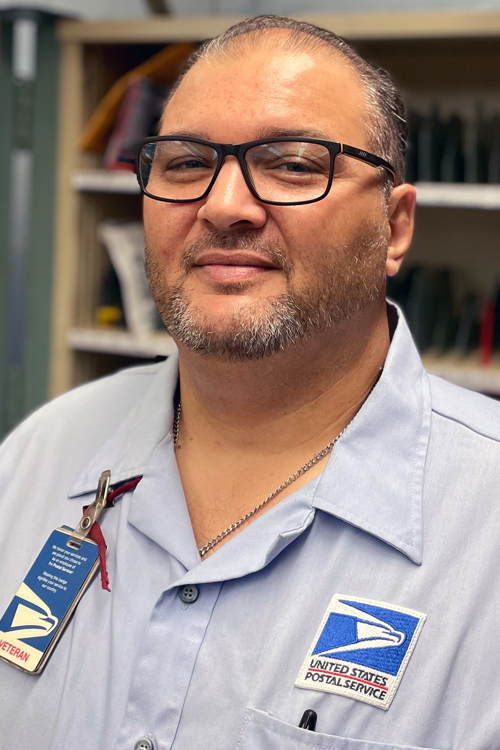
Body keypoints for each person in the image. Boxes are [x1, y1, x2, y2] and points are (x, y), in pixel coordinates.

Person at [0, 14, 499, 750]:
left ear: (393, 229)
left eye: (294, 164)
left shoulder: (482, 528)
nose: (224, 206)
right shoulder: (41, 453)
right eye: (183, 164)